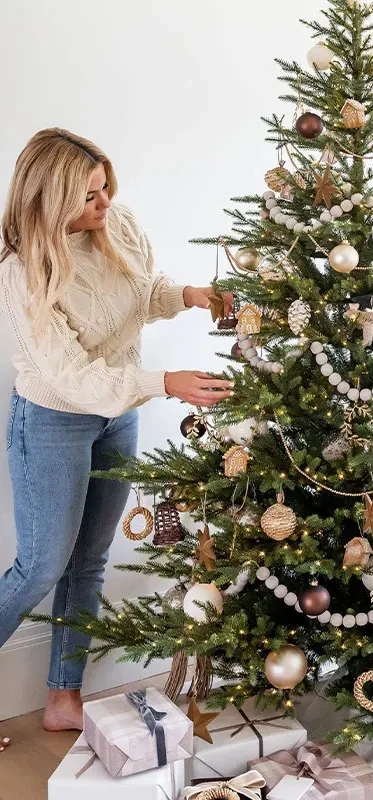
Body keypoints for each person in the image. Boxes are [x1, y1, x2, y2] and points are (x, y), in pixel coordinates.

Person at [0, 128, 234, 737]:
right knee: (41, 565)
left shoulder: (119, 224)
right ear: (49, 203)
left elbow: (140, 293)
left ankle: (63, 696)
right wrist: (165, 382)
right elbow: (70, 377)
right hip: (54, 418)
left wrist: (188, 295)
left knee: (90, 560)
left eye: (106, 188)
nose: (105, 205)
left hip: (117, 412)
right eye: (89, 197)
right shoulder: (24, 270)